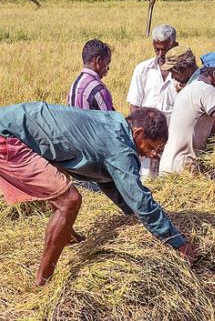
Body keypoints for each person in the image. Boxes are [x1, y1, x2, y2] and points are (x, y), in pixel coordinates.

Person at [0, 103, 196, 286]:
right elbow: (140, 199)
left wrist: (133, 214)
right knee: (69, 201)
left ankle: (67, 236)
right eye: (152, 147)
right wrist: (177, 242)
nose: (154, 154)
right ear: (139, 133)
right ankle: (43, 281)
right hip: (7, 137)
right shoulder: (119, 147)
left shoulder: (112, 124)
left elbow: (109, 181)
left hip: (17, 126)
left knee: (61, 180)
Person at [160, 52, 215, 174]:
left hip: (169, 165)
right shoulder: (207, 90)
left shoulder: (191, 88)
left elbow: (212, 127)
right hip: (182, 169)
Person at [127, 24, 179, 176]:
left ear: (174, 45)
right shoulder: (142, 69)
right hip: (147, 142)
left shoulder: (182, 73)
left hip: (172, 141)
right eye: (157, 49)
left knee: (169, 178)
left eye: (165, 49)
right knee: (146, 179)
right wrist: (146, 140)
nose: (161, 53)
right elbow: (134, 108)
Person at [162, 47, 215, 111]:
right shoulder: (174, 87)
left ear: (185, 69)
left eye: (173, 72)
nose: (172, 77)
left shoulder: (205, 87)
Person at [67, 39, 115, 111]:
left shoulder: (74, 85)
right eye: (107, 62)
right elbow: (111, 121)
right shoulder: (99, 90)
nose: (108, 68)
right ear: (98, 61)